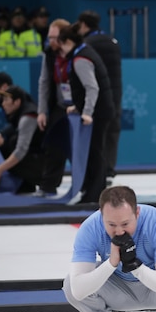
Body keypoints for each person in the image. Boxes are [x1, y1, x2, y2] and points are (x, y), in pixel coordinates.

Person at [57, 23, 114, 204]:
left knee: (95, 153)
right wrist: (79, 106)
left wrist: (87, 112)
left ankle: (94, 194)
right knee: (93, 152)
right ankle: (90, 190)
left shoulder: (81, 59)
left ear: (67, 42)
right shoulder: (84, 52)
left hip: (98, 112)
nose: (59, 51)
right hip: (99, 109)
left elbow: (92, 87)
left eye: (60, 46)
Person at [77, 10, 123, 185]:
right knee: (112, 132)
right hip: (116, 94)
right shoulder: (113, 42)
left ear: (83, 25)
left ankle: (97, 172)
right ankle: (109, 170)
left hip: (98, 95)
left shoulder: (87, 44)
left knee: (97, 134)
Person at [35, 18, 72, 198]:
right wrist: (42, 110)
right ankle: (48, 186)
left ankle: (90, 186)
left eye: (54, 37)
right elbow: (44, 82)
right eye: (49, 37)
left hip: (79, 106)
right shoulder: (49, 53)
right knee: (54, 144)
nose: (51, 41)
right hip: (59, 105)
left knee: (82, 148)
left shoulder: (77, 51)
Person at [0, 85, 45, 193]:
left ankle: (33, 181)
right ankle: (26, 184)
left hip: (44, 165)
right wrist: (1, 134)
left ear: (17, 102)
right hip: (37, 157)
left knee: (11, 143)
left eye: (6, 100)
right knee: (8, 142)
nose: (3, 104)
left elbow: (21, 151)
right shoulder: (21, 113)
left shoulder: (27, 117)